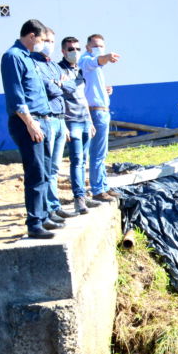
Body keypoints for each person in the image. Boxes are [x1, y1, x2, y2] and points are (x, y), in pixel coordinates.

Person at [0, 18, 60, 239]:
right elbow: (17, 96)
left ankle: (44, 216)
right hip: (28, 122)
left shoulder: (29, 58)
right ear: (32, 36)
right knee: (35, 173)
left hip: (41, 120)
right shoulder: (12, 57)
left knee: (44, 171)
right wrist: (31, 123)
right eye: (43, 39)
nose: (44, 44)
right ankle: (34, 222)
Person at [32, 27, 76, 220]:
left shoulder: (54, 66)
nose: (49, 45)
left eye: (52, 42)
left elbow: (71, 87)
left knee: (55, 168)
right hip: (47, 119)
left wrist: (60, 84)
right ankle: (47, 209)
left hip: (60, 119)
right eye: (47, 41)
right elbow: (48, 88)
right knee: (46, 167)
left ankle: (55, 205)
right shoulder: (35, 64)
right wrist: (59, 85)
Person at [59, 36, 101, 215]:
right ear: (63, 51)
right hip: (71, 121)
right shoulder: (59, 70)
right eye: (70, 49)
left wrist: (90, 121)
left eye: (76, 49)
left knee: (84, 160)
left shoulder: (78, 70)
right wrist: (64, 125)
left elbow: (83, 97)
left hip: (84, 120)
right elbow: (58, 98)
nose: (74, 52)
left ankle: (84, 194)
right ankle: (78, 199)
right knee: (76, 161)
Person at [79, 33, 121, 202]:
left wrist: (105, 90)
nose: (99, 49)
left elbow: (91, 86)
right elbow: (97, 61)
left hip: (102, 110)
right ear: (88, 47)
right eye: (95, 46)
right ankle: (97, 189)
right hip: (95, 111)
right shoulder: (86, 60)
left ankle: (103, 185)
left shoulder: (96, 68)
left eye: (101, 46)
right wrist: (106, 57)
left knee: (101, 153)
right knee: (96, 152)